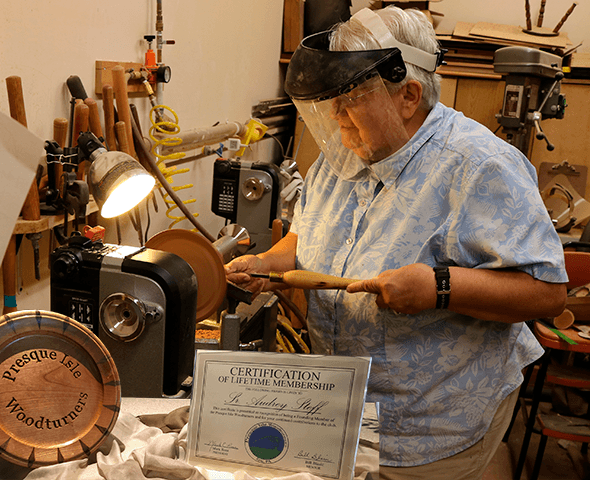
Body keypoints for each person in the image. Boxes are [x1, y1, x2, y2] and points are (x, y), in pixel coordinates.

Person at [225, 5, 568, 479]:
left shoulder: (480, 165)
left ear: (408, 95)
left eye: (350, 100)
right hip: (342, 403)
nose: (336, 117)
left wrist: (440, 287)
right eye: (330, 103)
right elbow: (307, 238)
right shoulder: (343, 156)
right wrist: (267, 264)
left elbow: (546, 293)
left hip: (434, 421)